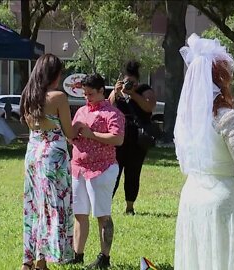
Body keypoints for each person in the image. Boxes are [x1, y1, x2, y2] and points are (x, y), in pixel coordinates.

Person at [174, 33, 234, 270]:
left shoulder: (188, 121)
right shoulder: (228, 117)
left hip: (194, 196)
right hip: (227, 199)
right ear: (222, 79)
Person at [20, 54, 76, 270]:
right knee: (53, 206)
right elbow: (69, 131)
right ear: (54, 74)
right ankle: (43, 262)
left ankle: (30, 261)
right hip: (53, 154)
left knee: (33, 206)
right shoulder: (58, 97)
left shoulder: (28, 96)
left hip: (33, 152)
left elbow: (32, 126)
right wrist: (79, 127)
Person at [66, 74, 125, 269]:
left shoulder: (112, 113)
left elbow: (117, 139)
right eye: (84, 94)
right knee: (79, 213)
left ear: (102, 91)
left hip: (102, 168)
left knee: (102, 215)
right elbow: (72, 138)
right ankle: (77, 254)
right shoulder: (81, 111)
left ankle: (104, 258)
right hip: (78, 168)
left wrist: (92, 134)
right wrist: (72, 133)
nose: (87, 97)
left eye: (90, 94)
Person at [108, 60, 156, 215]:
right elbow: (108, 106)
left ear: (138, 81)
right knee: (113, 170)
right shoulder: (119, 90)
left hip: (137, 137)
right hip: (119, 135)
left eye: (132, 82)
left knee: (133, 172)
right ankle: (106, 204)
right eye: (126, 81)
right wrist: (116, 92)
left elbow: (149, 106)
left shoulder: (144, 90)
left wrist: (133, 93)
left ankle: (130, 207)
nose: (129, 84)